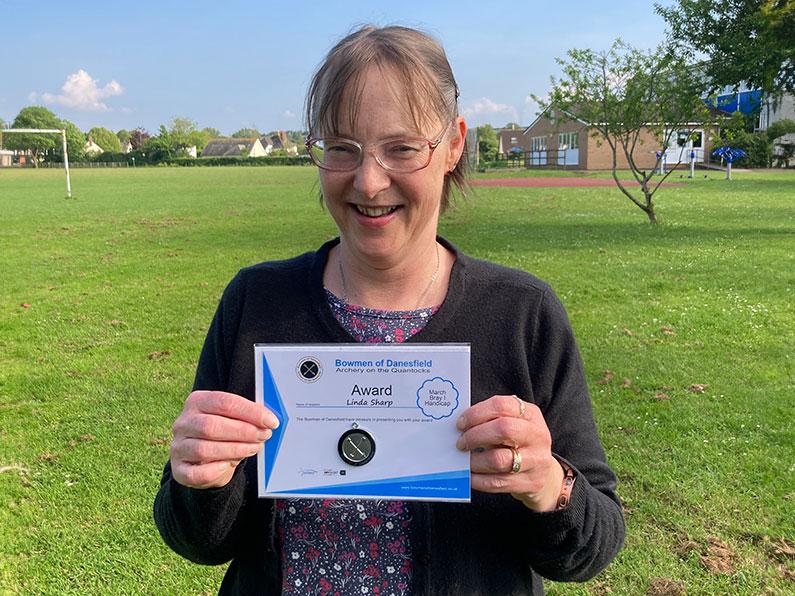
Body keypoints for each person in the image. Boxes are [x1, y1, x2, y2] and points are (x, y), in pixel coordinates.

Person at [154, 25, 625, 595]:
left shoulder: (522, 314)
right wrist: (199, 478)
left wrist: (550, 484)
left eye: (401, 147)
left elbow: (593, 546)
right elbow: (199, 541)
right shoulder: (257, 301)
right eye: (341, 148)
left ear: (453, 144)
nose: (369, 180)